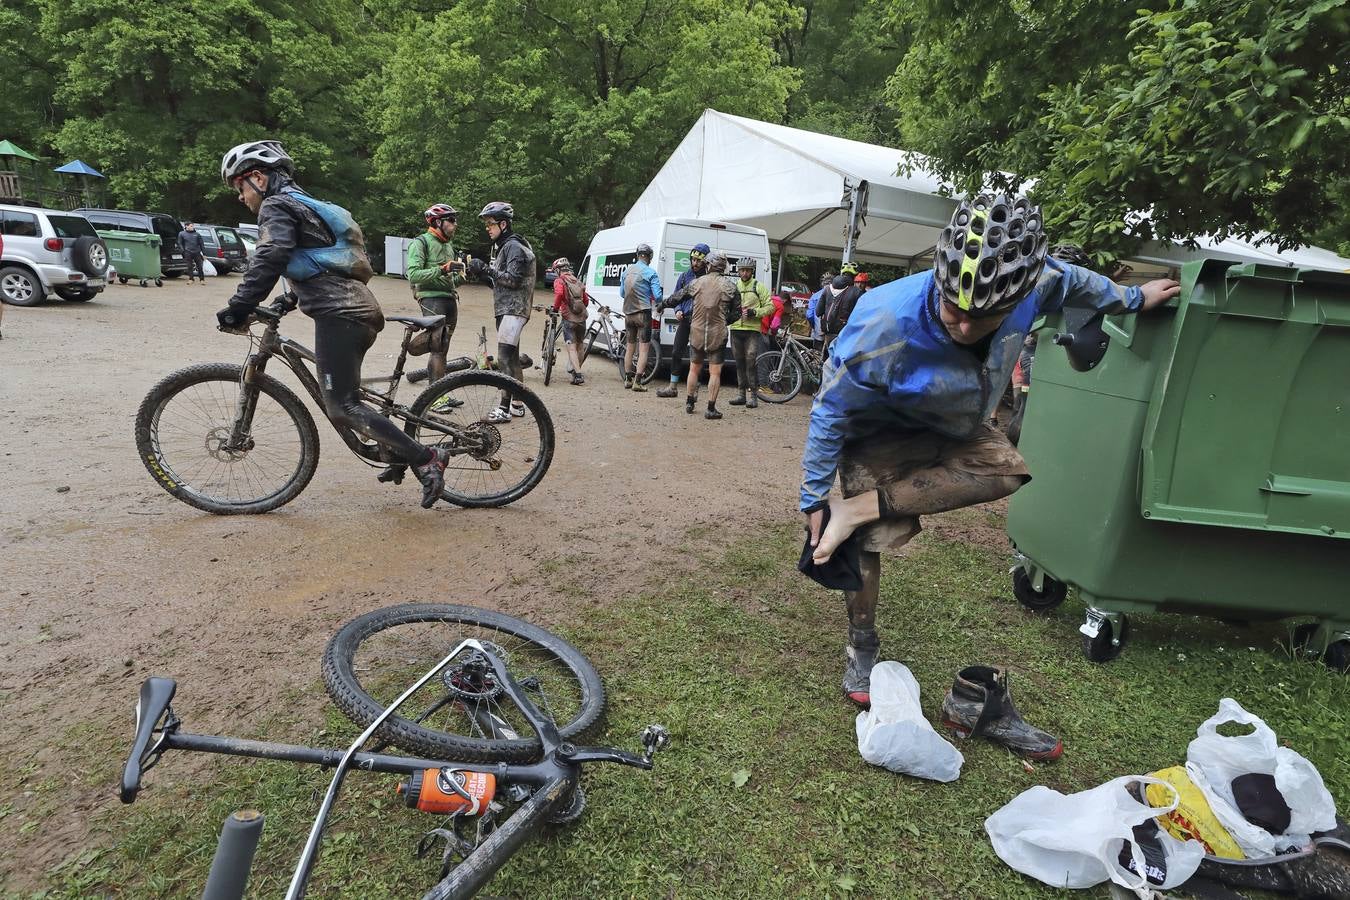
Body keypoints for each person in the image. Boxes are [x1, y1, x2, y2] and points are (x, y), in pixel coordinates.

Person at [800, 193, 1181, 709]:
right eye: (954, 309)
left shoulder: (1040, 280)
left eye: (983, 318)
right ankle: (861, 644)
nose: (962, 326)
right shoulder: (882, 323)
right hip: (880, 426)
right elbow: (830, 410)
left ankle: (859, 509)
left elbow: (1076, 281)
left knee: (1006, 471)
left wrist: (1133, 299)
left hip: (959, 418)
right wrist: (814, 497)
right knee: (864, 543)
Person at [215, 140, 452, 509]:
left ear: (258, 177)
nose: (240, 197)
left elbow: (272, 254)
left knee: (342, 405)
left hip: (342, 313)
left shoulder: (277, 205)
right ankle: (399, 452)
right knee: (347, 398)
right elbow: (320, 264)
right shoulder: (302, 205)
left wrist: (239, 305)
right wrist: (287, 299)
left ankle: (427, 458)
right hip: (348, 309)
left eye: (240, 187)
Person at [466, 201, 535, 423]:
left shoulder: (514, 246)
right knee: (513, 358)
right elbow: (500, 282)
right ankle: (517, 404)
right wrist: (481, 273)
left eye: (490, 224)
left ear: (503, 224)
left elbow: (513, 281)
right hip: (509, 307)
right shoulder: (505, 246)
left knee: (504, 358)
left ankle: (504, 409)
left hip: (514, 308)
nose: (487, 228)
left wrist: (486, 268)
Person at [405, 203, 464, 384]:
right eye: (451, 220)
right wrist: (443, 269)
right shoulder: (421, 242)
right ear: (438, 222)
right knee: (437, 348)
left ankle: (439, 392)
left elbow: (450, 280)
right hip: (431, 298)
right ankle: (436, 398)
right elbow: (413, 274)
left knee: (443, 348)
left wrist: (462, 277)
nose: (455, 225)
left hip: (449, 298)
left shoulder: (448, 246)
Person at [683, 252, 738, 419]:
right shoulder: (730, 286)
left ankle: (690, 402)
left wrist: (662, 305)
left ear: (709, 265)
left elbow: (677, 297)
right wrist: (724, 321)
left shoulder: (697, 282)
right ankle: (711, 409)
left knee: (694, 368)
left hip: (697, 332)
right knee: (715, 372)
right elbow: (737, 312)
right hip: (718, 333)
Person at [656, 243, 709, 398]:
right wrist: (678, 310)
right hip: (685, 320)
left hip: (700, 321)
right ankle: (672, 387)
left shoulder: (707, 279)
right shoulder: (685, 276)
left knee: (697, 356)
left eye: (698, 261)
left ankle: (694, 390)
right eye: (693, 259)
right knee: (676, 352)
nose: (695, 263)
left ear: (705, 262)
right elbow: (676, 296)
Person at [728, 258, 774, 409]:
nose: (744, 273)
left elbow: (770, 307)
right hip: (736, 329)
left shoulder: (758, 286)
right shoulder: (734, 287)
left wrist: (755, 312)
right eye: (742, 270)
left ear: (752, 271)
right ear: (739, 271)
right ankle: (741, 394)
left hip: (752, 331)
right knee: (739, 363)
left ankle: (753, 396)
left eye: (747, 270)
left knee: (750, 362)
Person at [620, 242, 662, 392]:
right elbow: (657, 296)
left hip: (628, 314)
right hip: (643, 314)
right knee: (643, 349)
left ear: (637, 255)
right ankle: (638, 382)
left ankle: (627, 380)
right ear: (649, 257)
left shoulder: (626, 272)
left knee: (630, 347)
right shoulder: (651, 273)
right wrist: (659, 303)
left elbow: (622, 294)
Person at [550, 257, 588, 385]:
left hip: (568, 318)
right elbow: (586, 300)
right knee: (580, 345)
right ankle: (576, 371)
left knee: (571, 348)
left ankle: (578, 375)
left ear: (557, 270)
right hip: (581, 318)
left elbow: (559, 295)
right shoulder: (577, 281)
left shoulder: (559, 281)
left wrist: (555, 308)